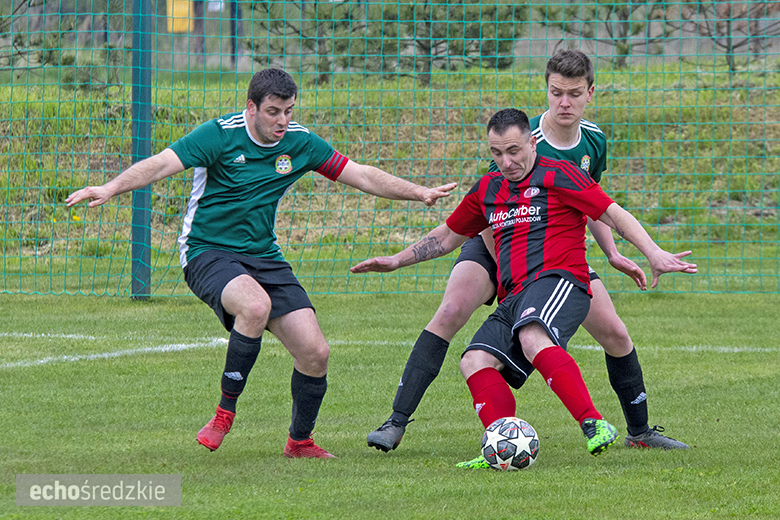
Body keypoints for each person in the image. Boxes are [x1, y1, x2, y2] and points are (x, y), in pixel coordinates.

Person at [66, 68, 457, 459]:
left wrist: (418, 191)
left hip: (264, 256)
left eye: (288, 111)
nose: (282, 121)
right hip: (207, 250)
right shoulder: (219, 135)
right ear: (251, 107)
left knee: (315, 352)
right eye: (273, 112)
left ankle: (299, 442)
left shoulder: (300, 142)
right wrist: (110, 187)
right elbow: (159, 164)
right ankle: (223, 414)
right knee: (255, 306)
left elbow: (363, 176)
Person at [365, 50, 690, 453]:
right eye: (556, 92)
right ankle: (397, 422)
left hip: (550, 256)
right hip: (497, 240)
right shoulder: (513, 145)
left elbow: (598, 207)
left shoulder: (589, 145)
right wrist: (506, 275)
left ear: (590, 93)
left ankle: (637, 432)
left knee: (613, 332)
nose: (564, 102)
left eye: (574, 94)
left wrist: (614, 253)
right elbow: (478, 220)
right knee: (452, 315)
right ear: (546, 91)